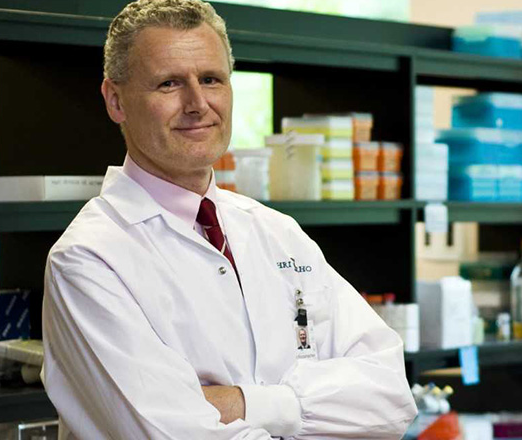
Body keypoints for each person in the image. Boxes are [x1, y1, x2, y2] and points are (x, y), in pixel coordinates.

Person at [41, 0, 418, 438]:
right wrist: (312, 410)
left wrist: (241, 402)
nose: (197, 103)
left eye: (211, 79)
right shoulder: (89, 258)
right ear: (115, 100)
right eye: (168, 84)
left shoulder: (278, 233)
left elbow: (391, 399)